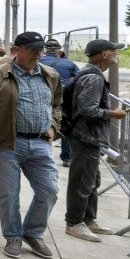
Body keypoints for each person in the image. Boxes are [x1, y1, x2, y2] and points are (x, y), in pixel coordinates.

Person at [0, 31, 62, 259]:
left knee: (49, 190)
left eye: (40, 50)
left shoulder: (50, 75)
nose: (38, 54)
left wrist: (53, 126)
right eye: (32, 50)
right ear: (17, 50)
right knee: (10, 194)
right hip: (8, 145)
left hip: (41, 143)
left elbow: (57, 105)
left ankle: (32, 233)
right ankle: (13, 236)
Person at [64, 39, 129, 242]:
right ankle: (74, 223)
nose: (116, 54)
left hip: (87, 136)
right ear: (103, 55)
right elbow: (87, 109)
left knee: (91, 180)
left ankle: (88, 219)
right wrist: (112, 113)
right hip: (85, 136)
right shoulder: (94, 78)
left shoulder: (89, 74)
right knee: (82, 181)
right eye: (113, 51)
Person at [40, 38, 79, 168]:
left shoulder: (38, 61)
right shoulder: (69, 64)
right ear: (59, 51)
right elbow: (78, 80)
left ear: (45, 50)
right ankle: (67, 158)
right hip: (63, 100)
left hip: (40, 98)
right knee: (64, 126)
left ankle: (41, 152)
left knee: (40, 124)